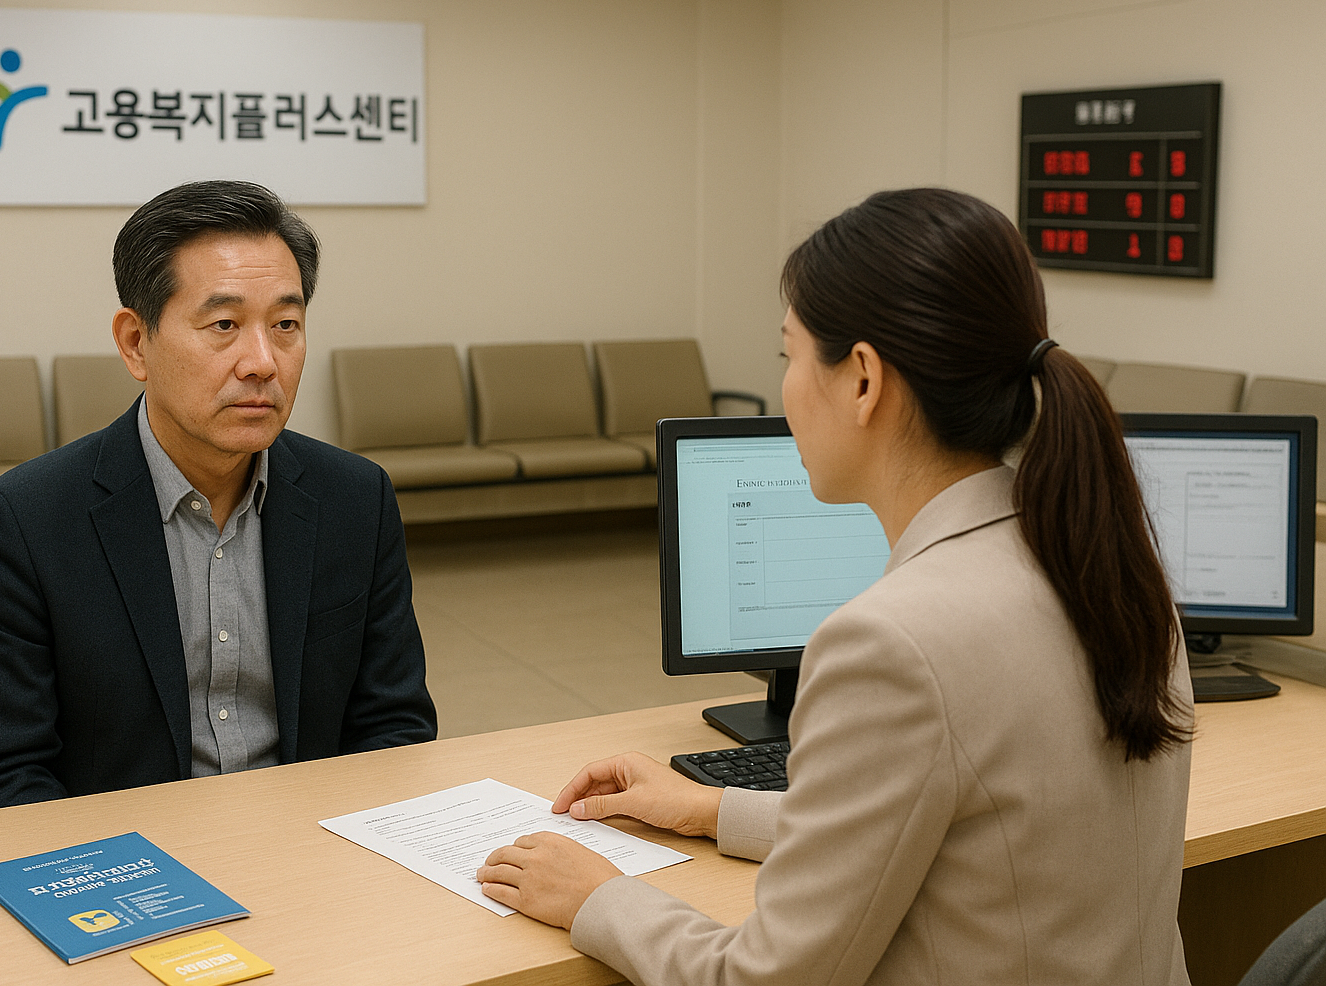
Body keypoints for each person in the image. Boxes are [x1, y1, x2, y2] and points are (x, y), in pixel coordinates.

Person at [477, 188, 1193, 985]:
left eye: (787, 355)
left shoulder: (893, 644)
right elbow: (972, 824)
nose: (785, 386)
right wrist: (713, 808)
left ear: (862, 380)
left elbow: (764, 980)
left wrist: (598, 897)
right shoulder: (1114, 573)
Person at [0, 180, 437, 812]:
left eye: (285, 325)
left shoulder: (355, 499)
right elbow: (1, 779)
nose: (262, 362)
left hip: (311, 844)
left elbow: (394, 729)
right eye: (224, 324)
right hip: (129, 857)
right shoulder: (25, 521)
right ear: (136, 343)